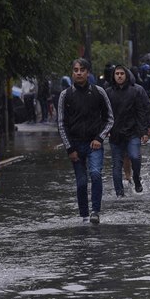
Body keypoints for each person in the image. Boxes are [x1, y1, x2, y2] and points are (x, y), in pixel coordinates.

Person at [58, 58, 114, 224]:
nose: (79, 73)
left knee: (96, 174)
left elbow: (110, 119)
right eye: (76, 70)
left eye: (82, 70)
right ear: (72, 73)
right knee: (81, 182)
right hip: (75, 145)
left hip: (94, 144)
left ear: (88, 72)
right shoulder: (65, 95)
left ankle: (95, 211)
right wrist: (70, 149)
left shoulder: (98, 92)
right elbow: (61, 124)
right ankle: (84, 215)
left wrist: (99, 138)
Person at [105, 65, 150, 196]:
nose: (119, 76)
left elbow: (142, 110)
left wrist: (146, 130)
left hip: (133, 132)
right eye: (117, 73)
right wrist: (104, 129)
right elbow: (103, 112)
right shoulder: (108, 92)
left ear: (126, 75)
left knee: (135, 157)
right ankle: (119, 194)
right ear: (113, 76)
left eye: (122, 73)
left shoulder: (136, 90)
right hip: (115, 134)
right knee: (116, 165)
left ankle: (136, 179)